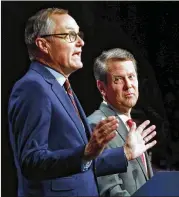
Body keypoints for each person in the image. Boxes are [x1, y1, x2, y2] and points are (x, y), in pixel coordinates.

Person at [8, 8, 157, 197]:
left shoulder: (61, 87)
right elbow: (31, 162)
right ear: (43, 45)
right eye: (70, 35)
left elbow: (84, 166)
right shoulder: (33, 87)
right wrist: (86, 152)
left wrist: (124, 153)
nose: (81, 42)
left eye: (79, 35)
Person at [88, 48, 155, 196]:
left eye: (131, 76)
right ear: (102, 87)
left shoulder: (130, 126)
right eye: (118, 79)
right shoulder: (98, 126)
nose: (128, 85)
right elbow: (110, 191)